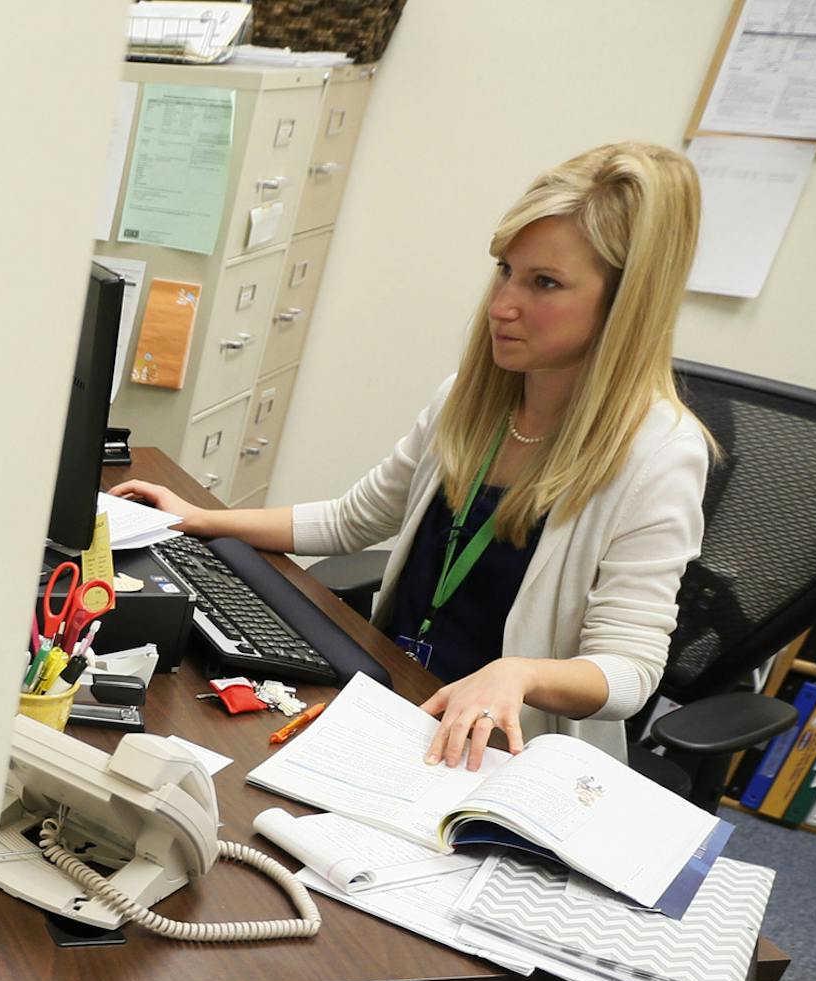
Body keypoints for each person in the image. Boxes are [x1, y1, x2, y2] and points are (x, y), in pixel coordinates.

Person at [113, 141, 712, 772]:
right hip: (392, 699)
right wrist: (198, 518)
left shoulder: (661, 455)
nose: (502, 305)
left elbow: (632, 668)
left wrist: (520, 675)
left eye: (545, 284)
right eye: (506, 270)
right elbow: (353, 519)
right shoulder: (472, 398)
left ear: (624, 305)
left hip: (501, 751)